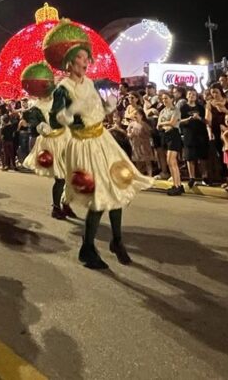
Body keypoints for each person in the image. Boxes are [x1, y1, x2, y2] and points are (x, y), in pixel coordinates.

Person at [47, 20, 153, 269]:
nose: (86, 62)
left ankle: (117, 241)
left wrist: (107, 107)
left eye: (87, 58)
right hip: (83, 145)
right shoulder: (62, 88)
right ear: (70, 61)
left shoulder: (90, 83)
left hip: (102, 139)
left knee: (118, 187)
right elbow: (56, 119)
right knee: (98, 197)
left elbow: (96, 108)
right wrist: (73, 109)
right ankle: (87, 248)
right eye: (82, 58)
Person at [21, 61, 76, 219]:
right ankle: (56, 206)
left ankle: (66, 203)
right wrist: (42, 126)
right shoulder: (36, 107)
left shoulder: (58, 97)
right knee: (60, 178)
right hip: (53, 142)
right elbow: (39, 126)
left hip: (66, 138)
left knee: (71, 175)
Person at [157, 92, 185, 196]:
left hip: (174, 135)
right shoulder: (163, 111)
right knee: (169, 161)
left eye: (166, 98)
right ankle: (176, 184)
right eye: (163, 99)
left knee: (172, 160)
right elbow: (158, 125)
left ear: (172, 99)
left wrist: (164, 123)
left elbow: (173, 123)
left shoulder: (176, 110)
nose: (164, 100)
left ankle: (177, 185)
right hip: (165, 136)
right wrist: (166, 123)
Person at [126, 108, 156, 178]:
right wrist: (130, 134)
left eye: (137, 114)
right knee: (138, 162)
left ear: (141, 115)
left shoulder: (144, 125)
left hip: (144, 145)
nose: (135, 115)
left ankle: (150, 175)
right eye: (134, 114)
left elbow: (150, 134)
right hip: (135, 145)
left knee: (147, 162)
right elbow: (128, 134)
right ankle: (139, 176)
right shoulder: (131, 124)